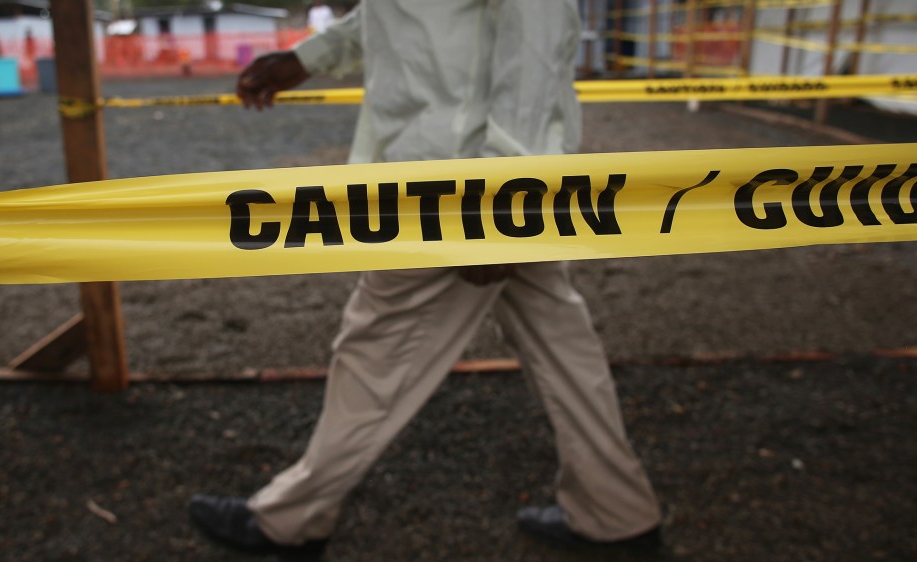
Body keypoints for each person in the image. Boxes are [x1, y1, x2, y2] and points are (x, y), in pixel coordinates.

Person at [190, 1, 663, 557]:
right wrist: (310, 56)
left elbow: (535, 51)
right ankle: (617, 513)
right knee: (564, 349)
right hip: (482, 179)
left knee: (378, 351)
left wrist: (502, 206)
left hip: (457, 187)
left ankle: (288, 521)